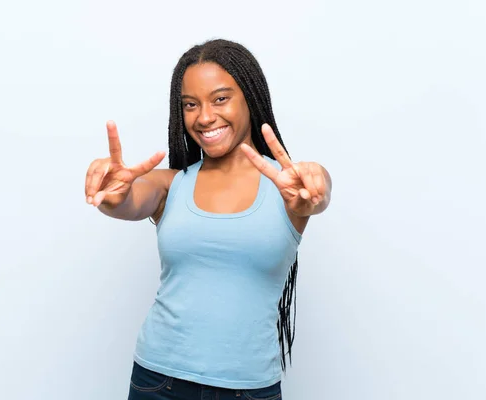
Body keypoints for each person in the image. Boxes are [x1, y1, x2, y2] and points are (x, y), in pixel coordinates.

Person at [85, 39, 332, 400]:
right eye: (190, 104)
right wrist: (112, 193)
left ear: (250, 97)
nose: (203, 117)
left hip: (248, 389)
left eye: (220, 98)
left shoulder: (289, 187)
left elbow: (318, 192)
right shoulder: (173, 184)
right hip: (158, 380)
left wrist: (318, 188)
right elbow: (128, 200)